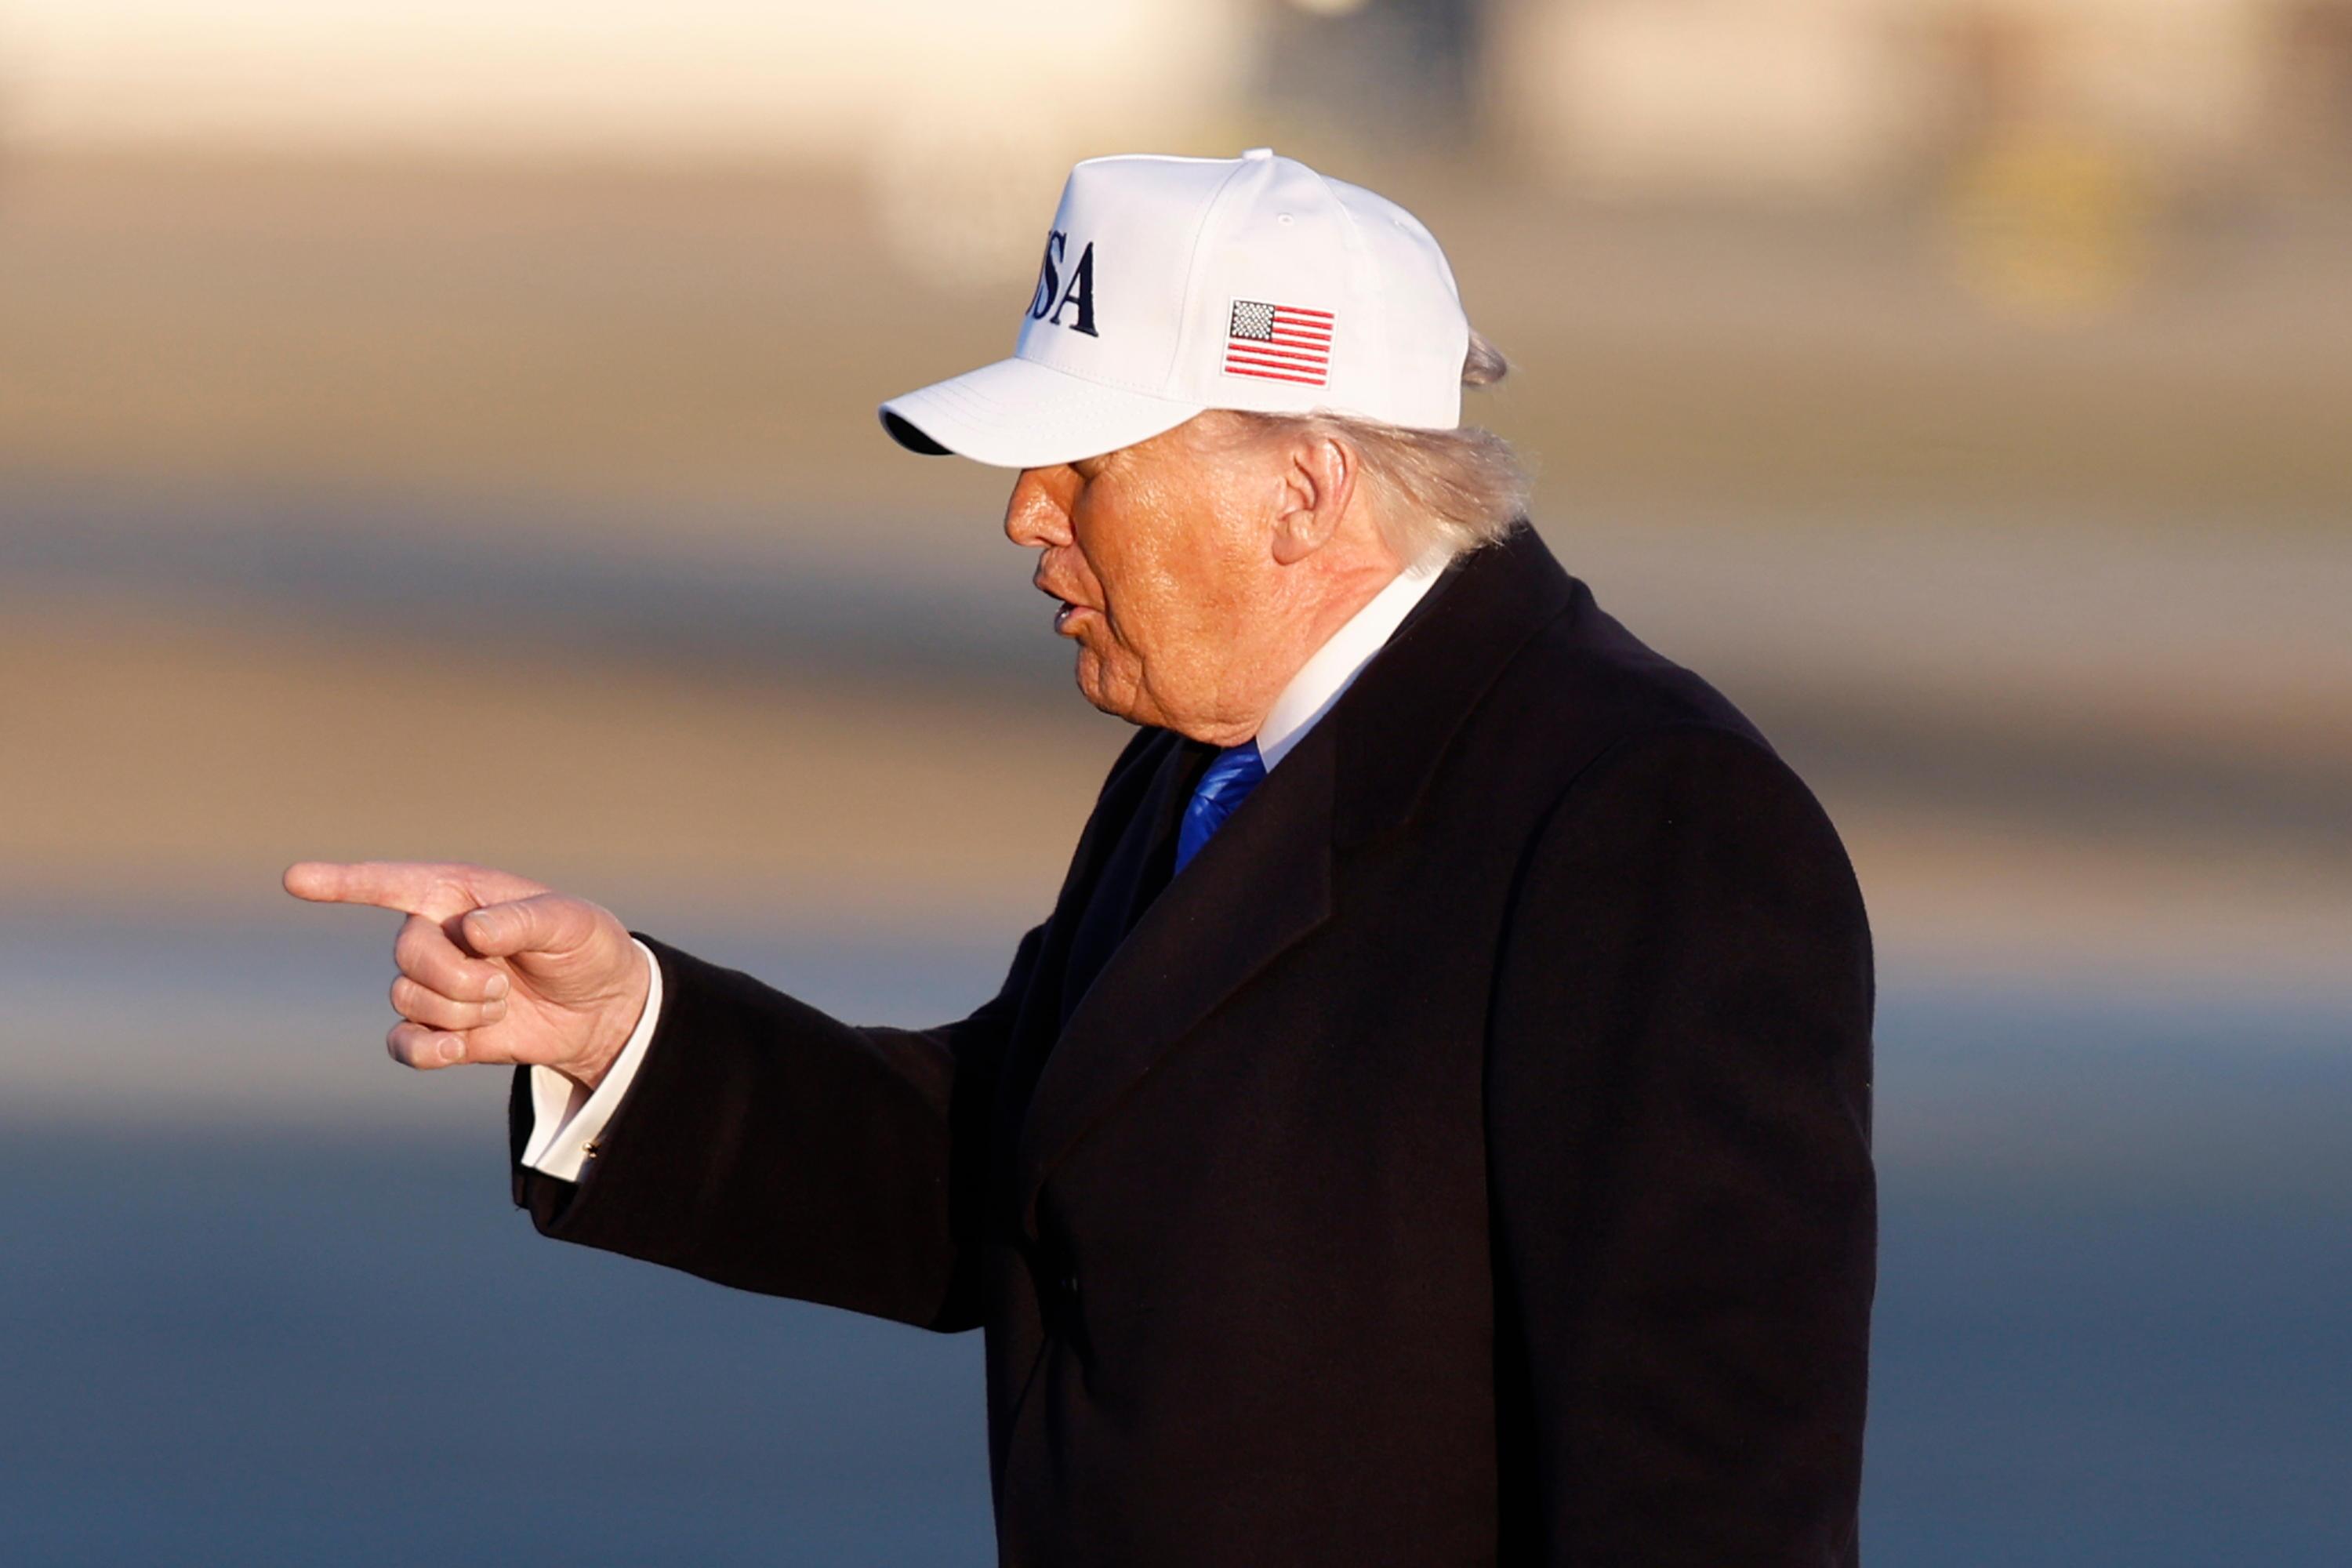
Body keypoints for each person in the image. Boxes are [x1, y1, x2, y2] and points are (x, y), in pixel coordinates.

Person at [287, 148, 1876, 1566]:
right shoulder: (1209, 763)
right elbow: (1017, 1165)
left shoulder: (1646, 820)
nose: (1027, 514)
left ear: (1305, 490)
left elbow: (1705, 1486)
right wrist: (623, 1030)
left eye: (1090, 465)